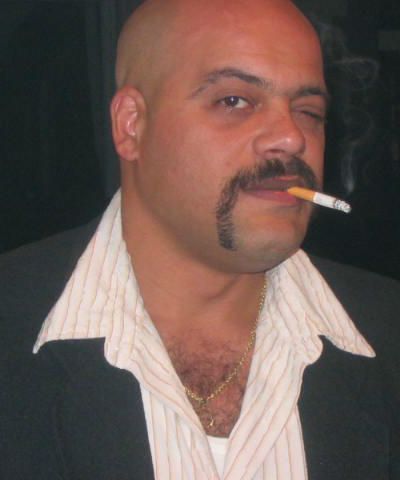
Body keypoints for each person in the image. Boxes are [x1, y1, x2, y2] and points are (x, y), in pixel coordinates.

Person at [1, 0, 399, 479]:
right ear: (132, 124)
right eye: (234, 101)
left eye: (308, 111)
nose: (292, 138)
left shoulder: (386, 332)